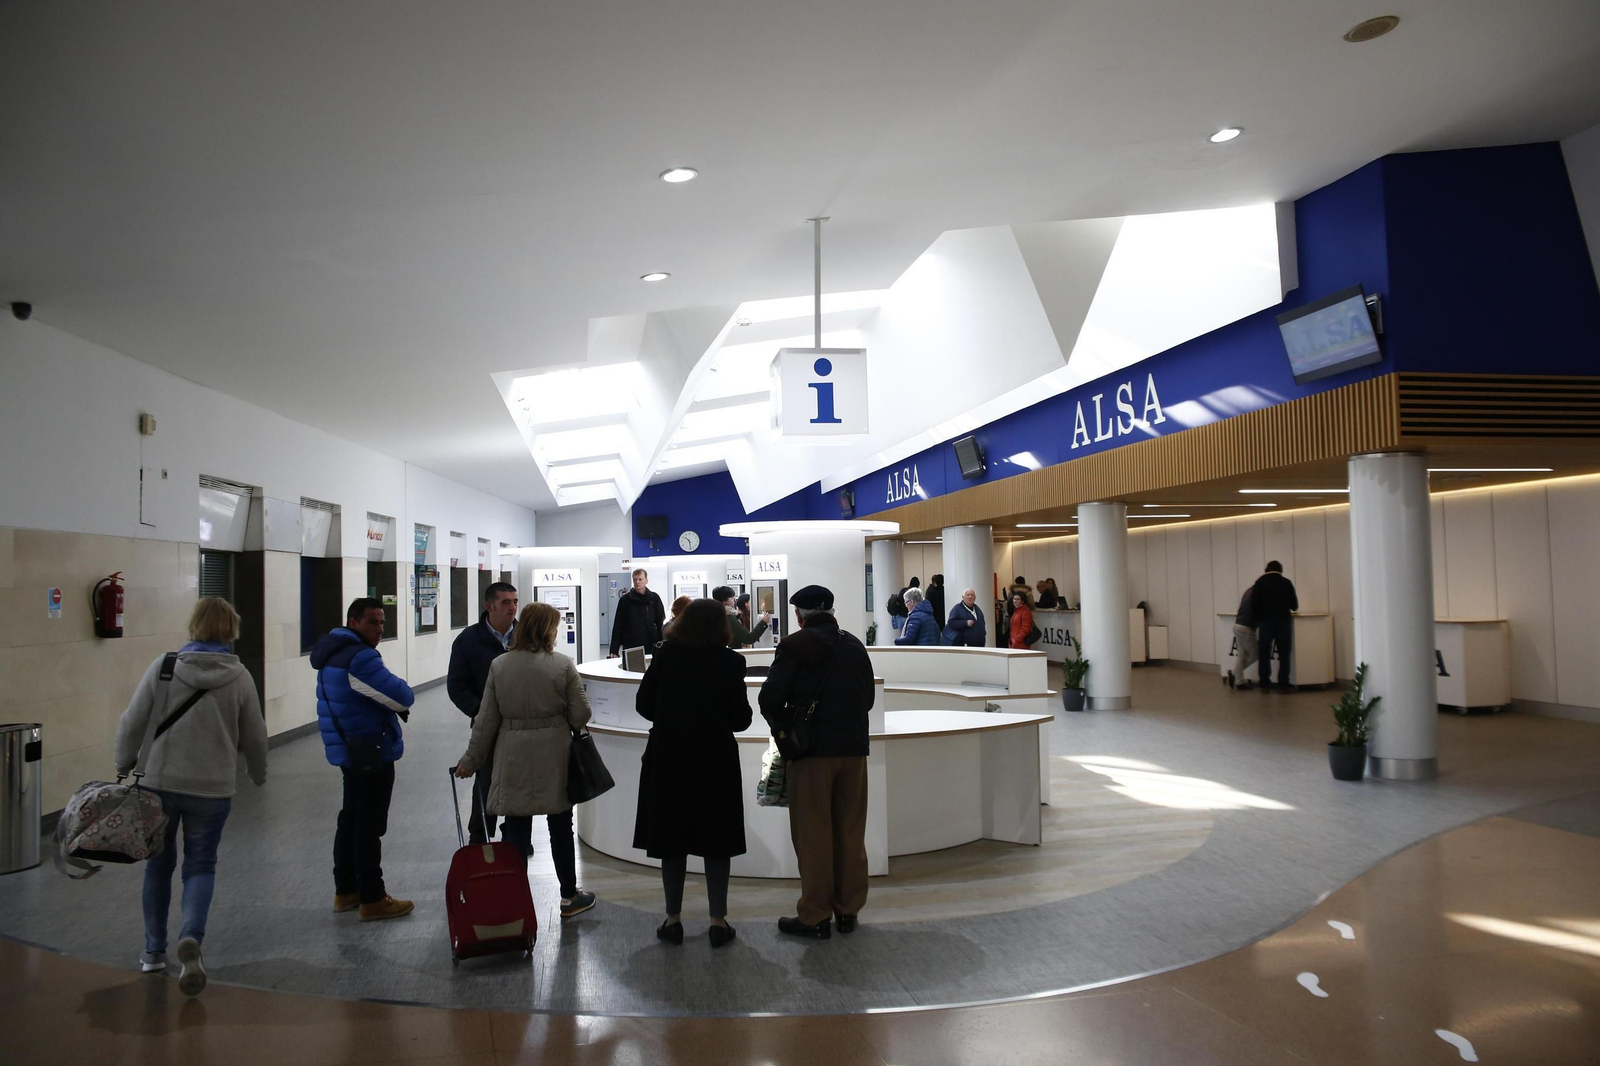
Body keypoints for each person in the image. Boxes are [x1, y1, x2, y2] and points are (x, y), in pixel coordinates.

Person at [115, 597, 268, 996]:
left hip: (158, 784)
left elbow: (131, 721)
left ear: (194, 626)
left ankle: (152, 952)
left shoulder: (164, 667)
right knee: (200, 866)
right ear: (231, 629)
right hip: (212, 788)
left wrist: (123, 761)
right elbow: (255, 735)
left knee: (157, 867)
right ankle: (192, 938)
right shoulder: (239, 676)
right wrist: (258, 773)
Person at [455, 602, 597, 919]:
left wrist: (471, 760)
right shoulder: (562, 665)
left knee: (516, 826)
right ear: (548, 629)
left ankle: (513, 896)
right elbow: (581, 714)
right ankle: (569, 896)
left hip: (513, 753)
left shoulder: (500, 666)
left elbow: (486, 720)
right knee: (561, 826)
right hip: (555, 754)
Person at [758, 584, 875, 939]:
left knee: (813, 835)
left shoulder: (793, 646)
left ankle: (815, 914)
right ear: (831, 610)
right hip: (853, 752)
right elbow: (867, 698)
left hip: (810, 755)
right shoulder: (853, 644)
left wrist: (783, 730)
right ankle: (848, 910)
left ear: (799, 615)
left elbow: (769, 698)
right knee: (850, 833)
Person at [633, 598, 751, 948]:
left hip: (669, 756)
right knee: (717, 840)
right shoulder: (732, 662)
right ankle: (718, 920)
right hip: (715, 760)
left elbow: (644, 705)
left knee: (672, 839)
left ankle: (673, 919)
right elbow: (741, 719)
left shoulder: (666, 656)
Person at [312, 598, 415, 923]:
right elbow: (401, 696)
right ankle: (372, 897)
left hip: (349, 749)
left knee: (351, 819)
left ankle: (346, 891)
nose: (380, 629)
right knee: (368, 826)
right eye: (373, 622)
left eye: (383, 623)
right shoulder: (360, 658)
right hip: (370, 750)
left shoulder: (332, 653)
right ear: (354, 622)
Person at [446, 581, 518, 845]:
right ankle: (480, 838)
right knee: (486, 782)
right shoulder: (468, 640)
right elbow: (456, 686)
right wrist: (481, 712)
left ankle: (515, 836)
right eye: (505, 603)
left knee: (517, 784)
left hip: (519, 727)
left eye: (514, 602)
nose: (512, 608)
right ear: (489, 607)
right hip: (487, 727)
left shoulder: (525, 636)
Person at [1250, 561, 1300, 690]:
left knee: (1264, 652)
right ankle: (1283, 683)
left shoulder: (1260, 583)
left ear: (1266, 569)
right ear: (1281, 570)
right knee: (1284, 653)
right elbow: (1294, 605)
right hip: (1283, 622)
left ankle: (1264, 682)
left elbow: (1253, 605)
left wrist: (1259, 617)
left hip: (1266, 622)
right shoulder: (1286, 583)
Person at [608, 568, 666, 657]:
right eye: (635, 580)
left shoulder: (654, 598)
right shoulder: (625, 600)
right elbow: (618, 625)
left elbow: (660, 622)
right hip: (631, 645)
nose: (637, 582)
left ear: (646, 580)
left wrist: (663, 644)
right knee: (632, 669)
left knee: (653, 669)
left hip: (652, 644)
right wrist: (614, 650)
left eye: (640, 579)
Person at [1224, 586, 1258, 691]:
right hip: (1247, 627)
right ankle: (1234, 674)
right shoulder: (1258, 594)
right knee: (1255, 655)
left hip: (1238, 625)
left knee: (1242, 655)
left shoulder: (1248, 592)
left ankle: (1239, 681)